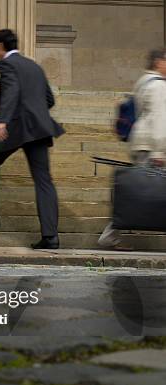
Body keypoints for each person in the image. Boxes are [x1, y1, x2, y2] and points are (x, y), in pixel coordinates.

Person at [0, 29, 65, 250]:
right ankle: (51, 236)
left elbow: (11, 91)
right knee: (44, 180)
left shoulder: (7, 64)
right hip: (40, 128)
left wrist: (2, 121)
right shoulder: (35, 66)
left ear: (1, 46)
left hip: (17, 127)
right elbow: (49, 99)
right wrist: (36, 111)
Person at [98, 48, 166, 250]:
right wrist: (159, 152)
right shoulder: (158, 87)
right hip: (150, 145)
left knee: (138, 191)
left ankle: (110, 235)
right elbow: (158, 119)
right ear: (158, 63)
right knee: (142, 191)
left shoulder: (143, 82)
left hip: (140, 142)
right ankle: (109, 236)